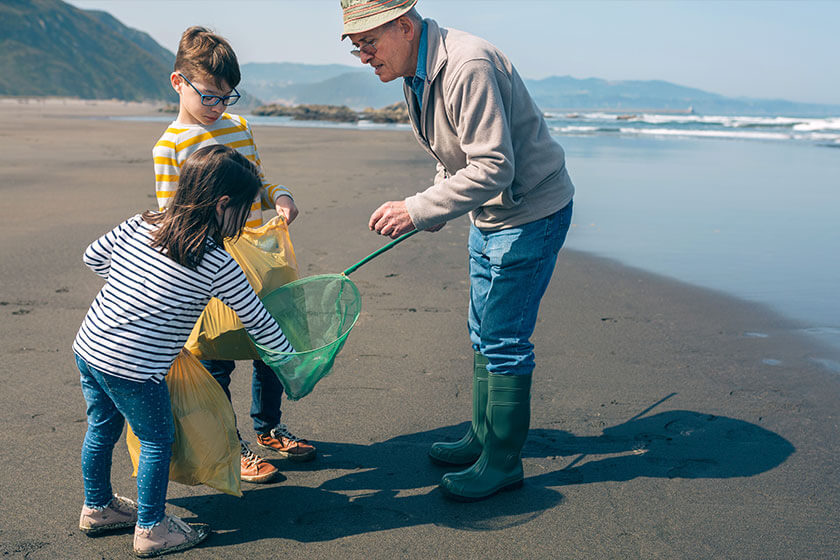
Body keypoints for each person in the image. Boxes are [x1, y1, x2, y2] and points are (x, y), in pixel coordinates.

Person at [340, 0, 575, 501]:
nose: (362, 55)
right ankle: (482, 436)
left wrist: (419, 208)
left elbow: (494, 166)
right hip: (489, 214)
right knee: (480, 329)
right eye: (356, 45)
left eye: (367, 42)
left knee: (504, 338)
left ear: (403, 27)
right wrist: (436, 208)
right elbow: (452, 155)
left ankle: (503, 463)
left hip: (531, 213)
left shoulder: (467, 65)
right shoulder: (414, 71)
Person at [74, 145, 296, 556]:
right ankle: (152, 529)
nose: (245, 219)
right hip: (136, 369)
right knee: (158, 439)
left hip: (90, 346)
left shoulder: (141, 223)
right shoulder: (215, 260)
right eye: (244, 210)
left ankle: (97, 507)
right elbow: (257, 318)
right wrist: (290, 358)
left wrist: (133, 289)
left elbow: (93, 258)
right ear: (222, 203)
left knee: (101, 428)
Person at [153, 26, 316, 484]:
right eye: (209, 97)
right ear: (178, 82)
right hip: (210, 263)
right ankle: (232, 443)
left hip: (261, 255)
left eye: (228, 97)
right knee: (216, 356)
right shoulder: (170, 147)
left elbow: (260, 180)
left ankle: (268, 427)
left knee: (269, 342)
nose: (219, 107)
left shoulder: (238, 127)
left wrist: (280, 196)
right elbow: (173, 215)